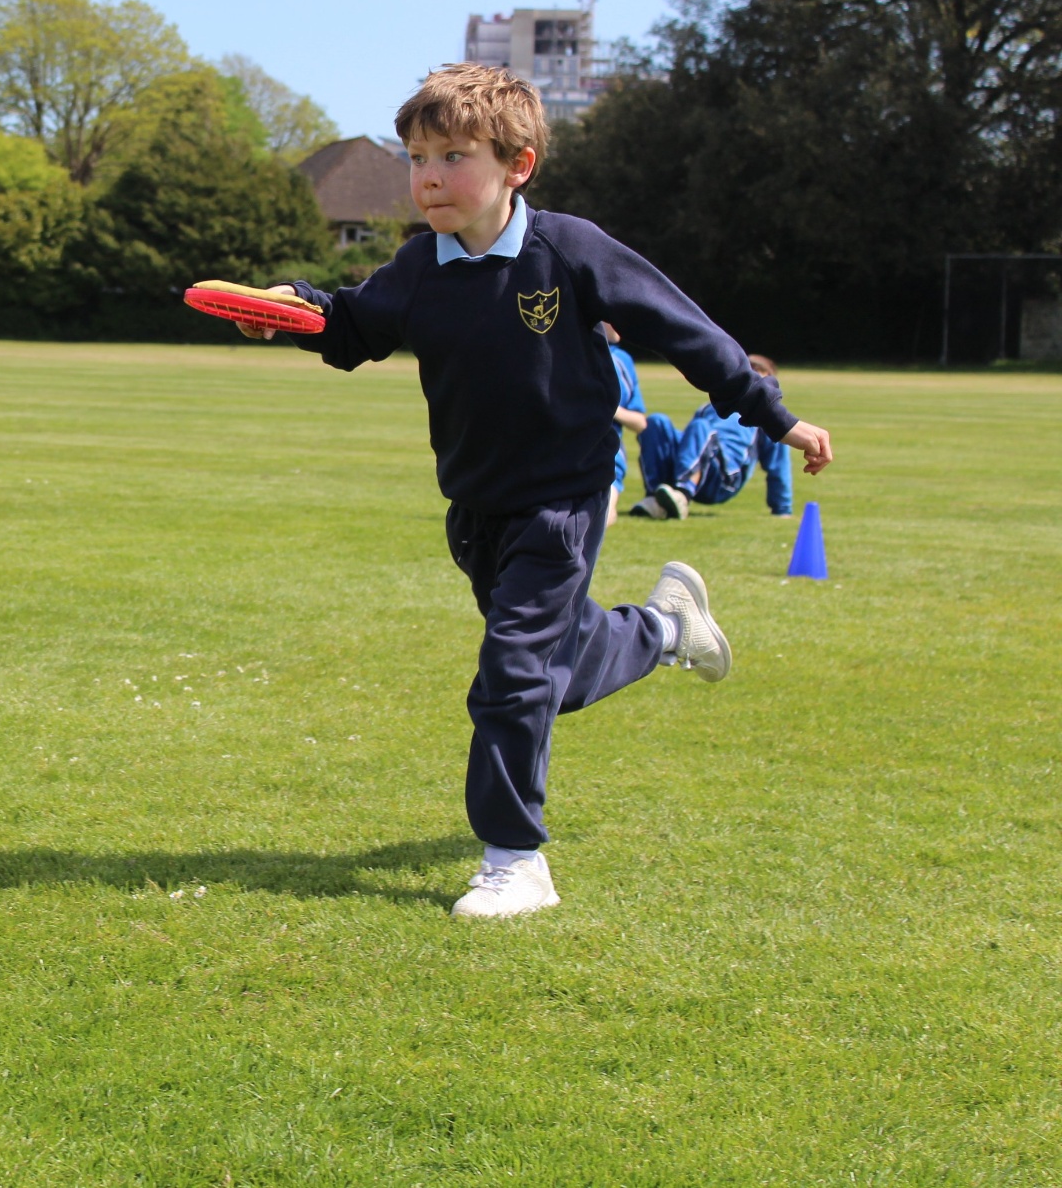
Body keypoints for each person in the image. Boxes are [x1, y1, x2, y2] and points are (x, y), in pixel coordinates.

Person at [235, 63, 833, 918]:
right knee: (556, 666)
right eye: (416, 157)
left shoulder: (570, 250)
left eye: (453, 154)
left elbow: (687, 333)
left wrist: (776, 418)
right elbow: (350, 325)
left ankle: (515, 861)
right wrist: (291, 310)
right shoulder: (419, 267)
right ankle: (665, 627)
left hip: (563, 498)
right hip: (477, 510)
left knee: (512, 672)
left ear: (518, 164)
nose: (429, 176)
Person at [629, 355, 793, 520]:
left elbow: (778, 464)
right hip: (697, 461)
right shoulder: (712, 406)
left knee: (701, 427)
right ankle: (655, 498)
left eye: (759, 374)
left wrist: (782, 509)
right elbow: (692, 440)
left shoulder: (767, 414)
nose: (752, 377)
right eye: (749, 370)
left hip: (723, 478)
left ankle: (683, 493)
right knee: (656, 422)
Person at [604, 323, 648, 526]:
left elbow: (640, 423)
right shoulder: (567, 350)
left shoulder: (621, 360)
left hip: (607, 448)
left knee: (602, 513)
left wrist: (611, 408)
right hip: (561, 444)